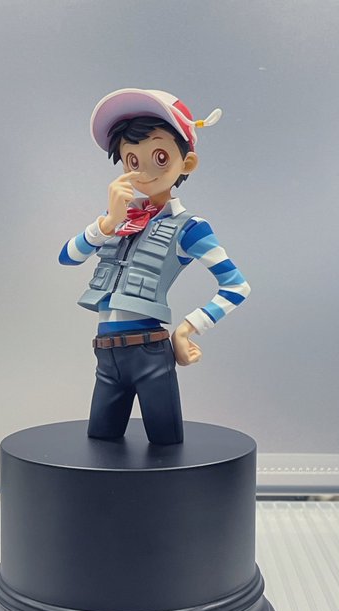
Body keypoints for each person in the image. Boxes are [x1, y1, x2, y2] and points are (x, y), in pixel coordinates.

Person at [59, 88, 250, 445]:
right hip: (106, 355)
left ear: (186, 163)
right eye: (132, 160)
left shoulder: (190, 228)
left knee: (167, 446)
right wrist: (107, 223)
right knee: (100, 444)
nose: (143, 170)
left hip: (149, 353)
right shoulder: (115, 220)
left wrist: (187, 329)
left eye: (160, 157)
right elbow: (67, 256)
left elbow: (236, 286)